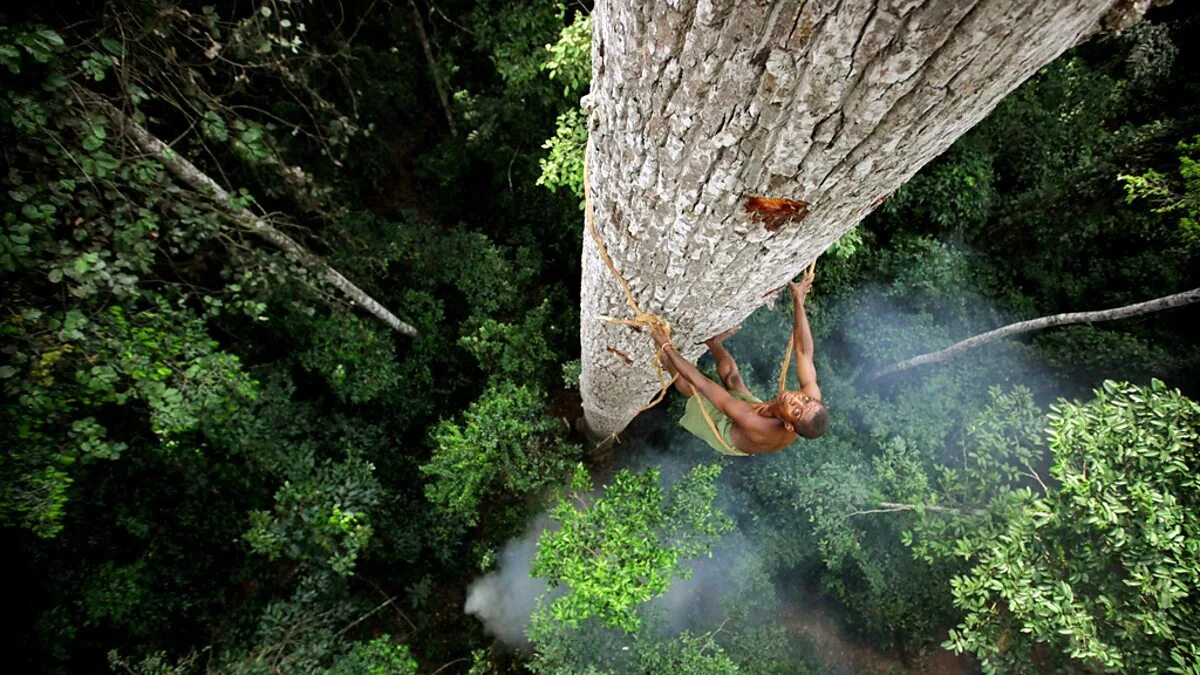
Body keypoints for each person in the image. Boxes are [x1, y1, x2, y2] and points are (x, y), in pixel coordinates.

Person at [651, 266, 829, 456]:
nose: (796, 400)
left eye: (796, 411)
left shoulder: (754, 422)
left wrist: (666, 346)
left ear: (788, 425)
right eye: (805, 399)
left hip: (731, 436)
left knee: (691, 389)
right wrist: (798, 300)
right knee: (734, 381)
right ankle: (714, 342)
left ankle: (662, 357)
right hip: (766, 413)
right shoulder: (811, 401)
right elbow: (803, 351)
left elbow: (702, 384)